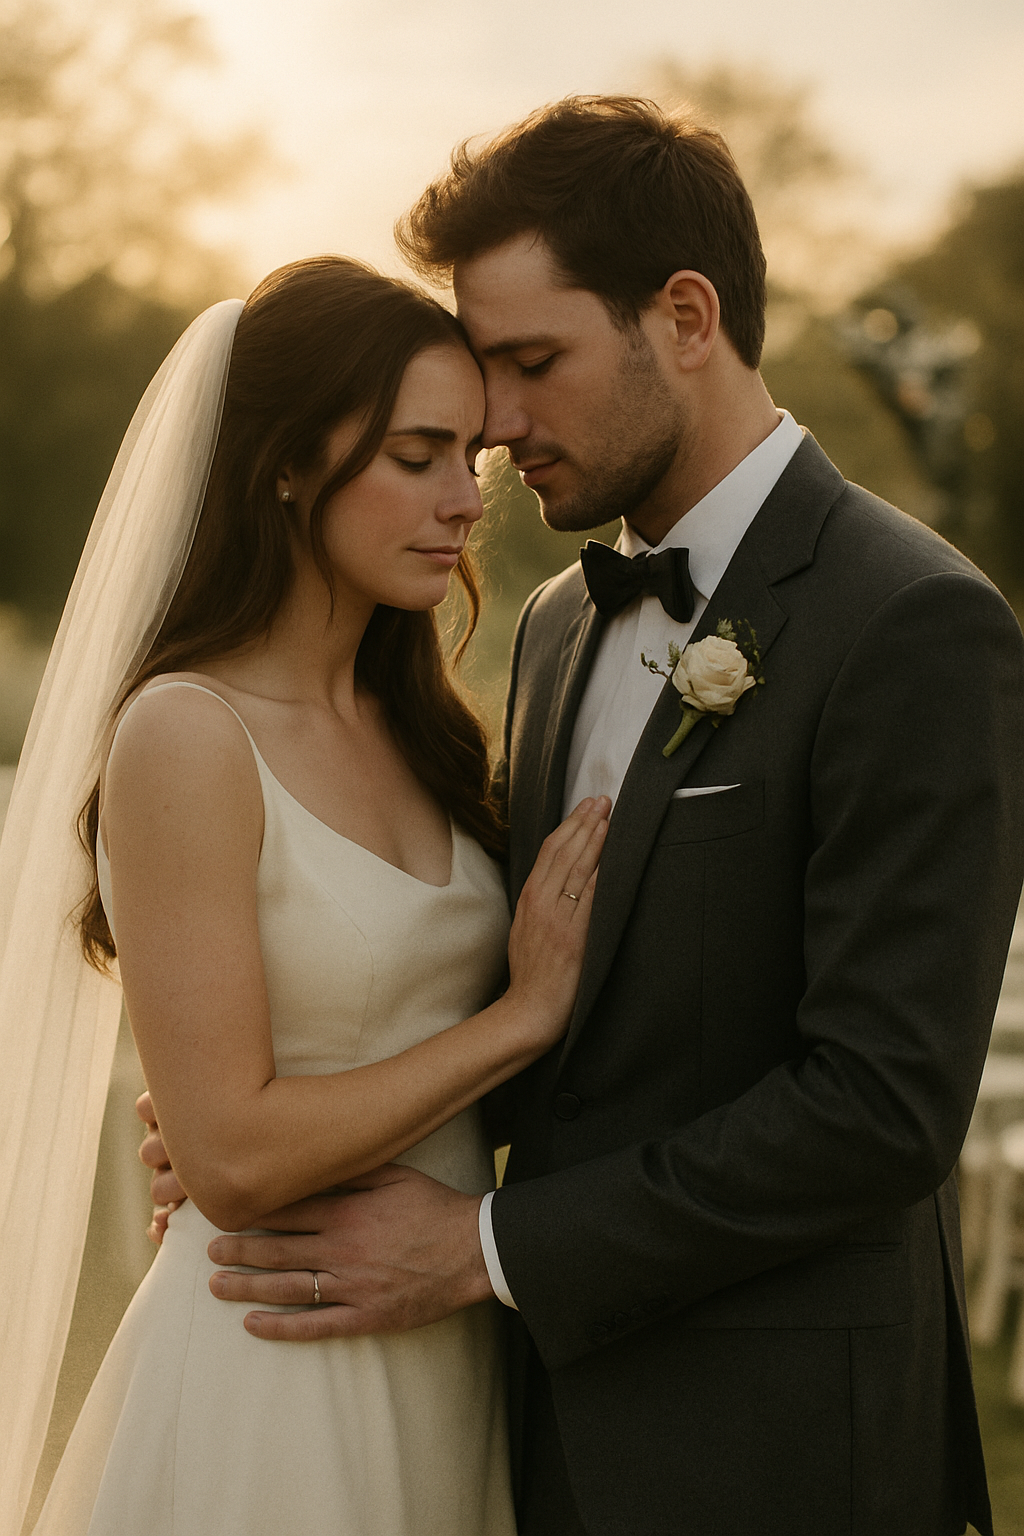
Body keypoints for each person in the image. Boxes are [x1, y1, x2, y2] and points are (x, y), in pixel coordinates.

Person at [171, 100, 1024, 1536]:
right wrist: (285, 1120)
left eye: (531, 363)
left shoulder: (916, 622)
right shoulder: (564, 623)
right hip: (540, 1441)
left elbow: (882, 1106)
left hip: (788, 1456)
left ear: (685, 316)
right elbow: (583, 1018)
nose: (494, 426)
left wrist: (485, 1247)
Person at [7, 254, 609, 1536]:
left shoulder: (423, 732)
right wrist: (522, 1014)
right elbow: (231, 1159)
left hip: (447, 1340)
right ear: (284, 465)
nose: (463, 502)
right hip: (279, 1349)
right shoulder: (187, 734)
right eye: (416, 455)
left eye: (473, 462)